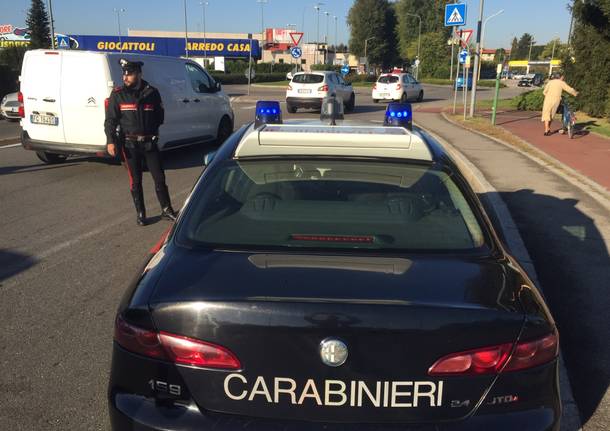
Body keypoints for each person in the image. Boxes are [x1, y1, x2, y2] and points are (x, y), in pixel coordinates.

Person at [104, 59, 177, 226]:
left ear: (139, 74)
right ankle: (141, 213)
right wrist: (110, 141)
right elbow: (110, 121)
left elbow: (160, 116)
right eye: (124, 74)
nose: (125, 77)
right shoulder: (118, 95)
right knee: (135, 180)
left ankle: (166, 209)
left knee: (159, 177)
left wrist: (150, 131)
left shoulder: (152, 93)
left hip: (149, 143)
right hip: (130, 145)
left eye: (129, 74)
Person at [541, 71, 578, 136]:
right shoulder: (561, 83)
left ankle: (546, 130)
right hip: (556, 100)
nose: (563, 78)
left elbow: (544, 92)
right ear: (560, 77)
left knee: (546, 114)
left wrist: (549, 95)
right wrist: (575, 93)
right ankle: (547, 129)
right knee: (551, 115)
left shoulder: (550, 82)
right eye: (563, 77)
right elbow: (569, 89)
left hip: (547, 99)